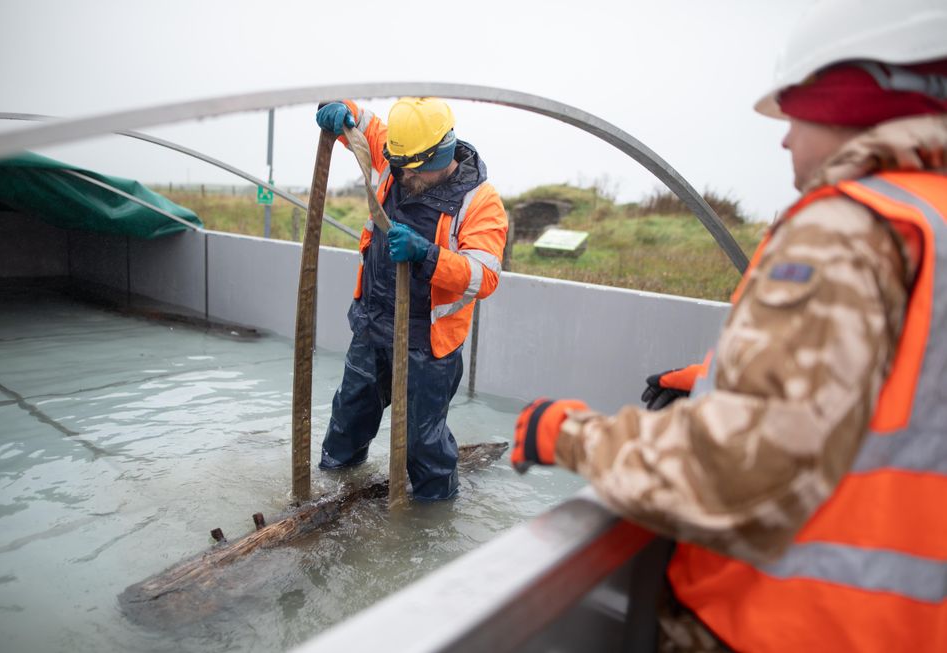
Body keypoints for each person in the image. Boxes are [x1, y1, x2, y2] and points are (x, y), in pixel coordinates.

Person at [511, 0, 947, 650]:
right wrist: (716, 379)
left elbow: (741, 469)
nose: (784, 138)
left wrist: (570, 433)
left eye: (796, 112)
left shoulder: (847, 228)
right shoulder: (930, 221)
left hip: (780, 624)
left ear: (846, 100)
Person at [315, 97, 508, 501]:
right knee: (347, 422)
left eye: (413, 169)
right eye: (398, 165)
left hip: (428, 344)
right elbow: (364, 124)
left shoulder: (480, 201)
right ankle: (331, 497)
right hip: (373, 326)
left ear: (441, 152)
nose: (403, 175)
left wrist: (428, 255)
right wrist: (339, 107)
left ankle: (431, 522)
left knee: (423, 445)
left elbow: (484, 276)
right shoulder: (399, 154)